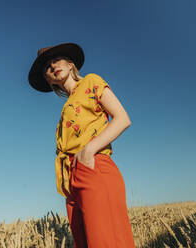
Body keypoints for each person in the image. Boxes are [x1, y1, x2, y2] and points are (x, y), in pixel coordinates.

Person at [28, 42, 136, 248]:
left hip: (93, 165)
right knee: (85, 242)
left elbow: (122, 118)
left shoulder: (91, 81)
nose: (51, 67)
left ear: (70, 64)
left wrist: (89, 151)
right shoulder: (65, 108)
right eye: (47, 68)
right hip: (71, 179)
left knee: (106, 241)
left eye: (55, 61)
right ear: (48, 80)